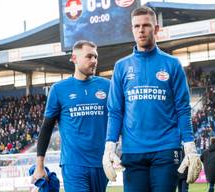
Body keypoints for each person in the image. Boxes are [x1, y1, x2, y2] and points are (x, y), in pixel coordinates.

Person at [102, 6, 202, 192]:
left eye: (146, 25)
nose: (141, 30)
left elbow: (182, 108)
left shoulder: (172, 64)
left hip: (166, 148)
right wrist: (109, 146)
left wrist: (189, 146)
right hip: (132, 151)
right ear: (131, 29)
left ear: (156, 29)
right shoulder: (121, 67)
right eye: (136, 26)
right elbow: (115, 111)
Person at [33, 40, 110, 192]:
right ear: (74, 58)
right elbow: (47, 128)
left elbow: (118, 118)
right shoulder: (59, 89)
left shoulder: (108, 86)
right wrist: (39, 166)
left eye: (95, 57)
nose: (94, 61)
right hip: (74, 164)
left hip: (101, 163)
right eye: (89, 56)